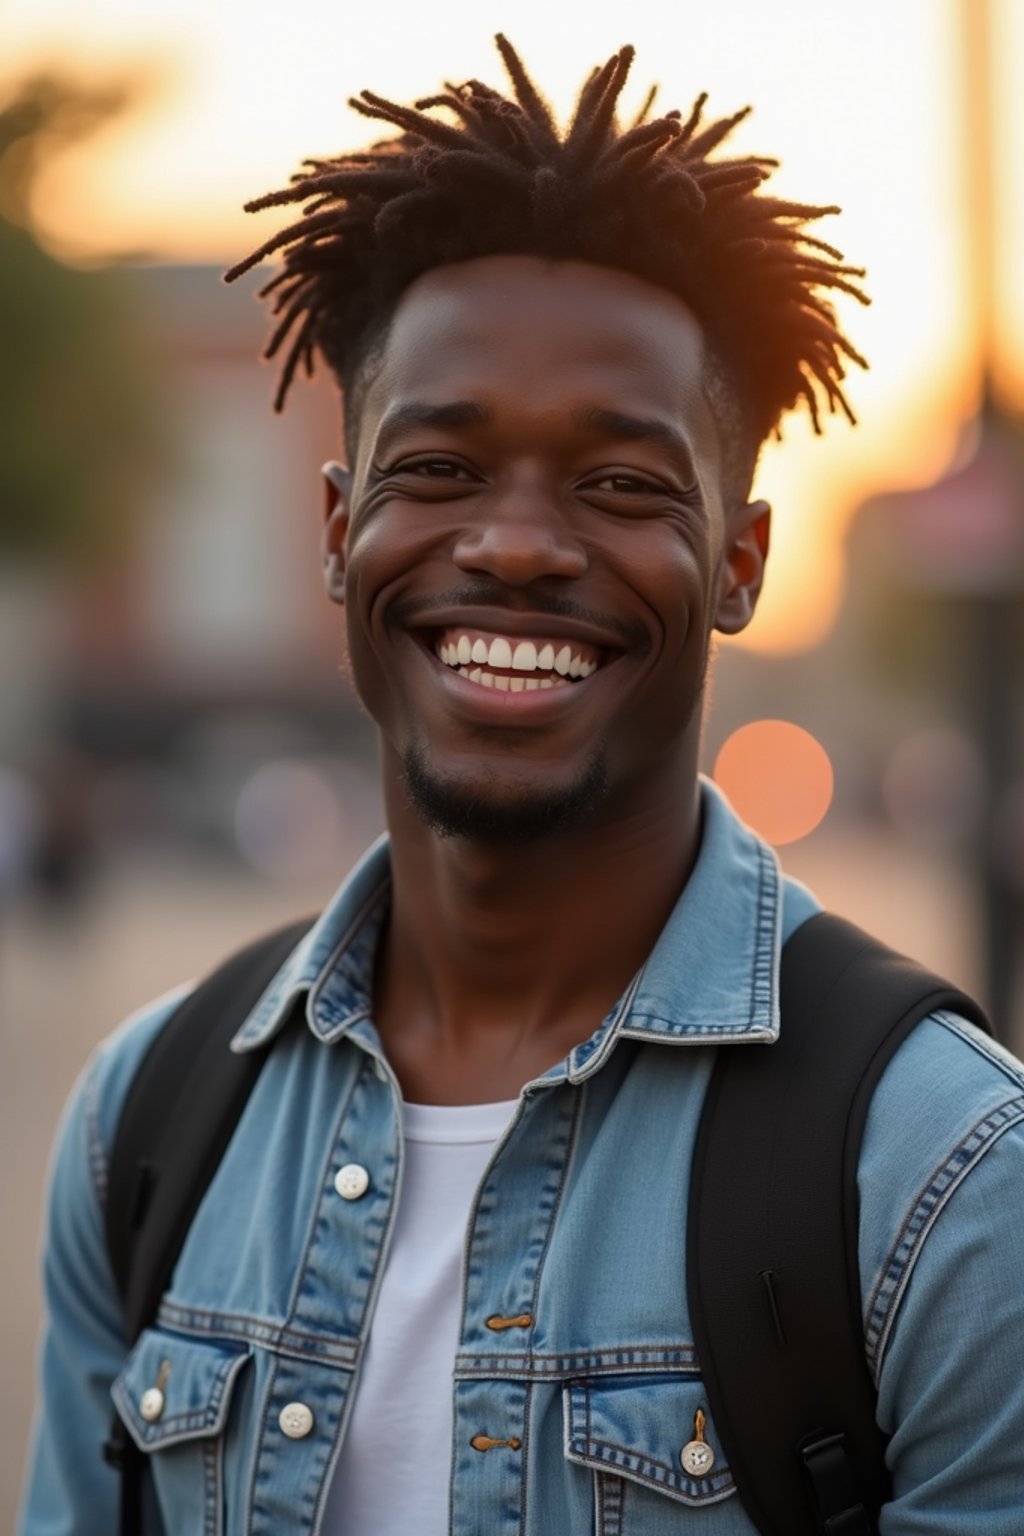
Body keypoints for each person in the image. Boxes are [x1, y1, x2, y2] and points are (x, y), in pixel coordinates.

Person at [20, 37, 1024, 1535]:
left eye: (621, 485)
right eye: (439, 469)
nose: (516, 545)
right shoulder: (148, 1128)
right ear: (337, 528)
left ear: (739, 562)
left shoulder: (945, 1182)